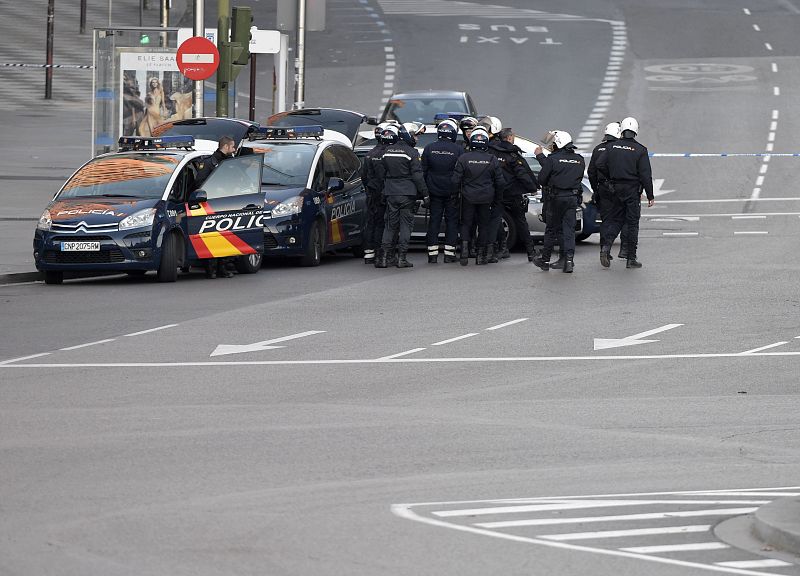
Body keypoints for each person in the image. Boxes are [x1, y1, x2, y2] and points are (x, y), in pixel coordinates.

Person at [596, 117, 654, 269]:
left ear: (622, 130)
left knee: (616, 220)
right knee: (632, 223)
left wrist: (610, 179)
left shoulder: (611, 147)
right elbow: (645, 175)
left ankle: (606, 247)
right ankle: (631, 259)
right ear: (635, 131)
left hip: (615, 189)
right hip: (632, 190)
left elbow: (600, 164)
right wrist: (650, 195)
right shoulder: (640, 150)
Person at [375, 124, 429, 268]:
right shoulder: (412, 153)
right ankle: (402, 258)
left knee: (389, 226)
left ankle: (385, 258)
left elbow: (381, 174)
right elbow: (418, 177)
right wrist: (425, 195)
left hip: (390, 193)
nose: (417, 138)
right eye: (415, 135)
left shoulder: (387, 151)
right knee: (406, 226)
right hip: (407, 194)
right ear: (408, 135)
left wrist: (383, 191)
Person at [532, 130, 585, 273]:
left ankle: (545, 260)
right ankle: (568, 261)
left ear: (559, 144)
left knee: (551, 229)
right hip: (572, 199)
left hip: (556, 198)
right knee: (569, 231)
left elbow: (542, 179)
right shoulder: (579, 159)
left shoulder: (552, 159)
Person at [452, 127, 505, 266]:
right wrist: (497, 198)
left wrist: (455, 194)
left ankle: (464, 253)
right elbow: (500, 182)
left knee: (466, 223)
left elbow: (455, 181)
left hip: (467, 197)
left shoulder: (464, 158)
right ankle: (480, 256)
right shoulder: (492, 159)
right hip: (486, 198)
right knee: (483, 225)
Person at [487, 126, 538, 262]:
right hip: (513, 194)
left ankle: (499, 250)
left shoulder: (492, 152)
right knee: (521, 222)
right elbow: (522, 174)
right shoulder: (512, 154)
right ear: (509, 138)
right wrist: (533, 187)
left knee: (496, 221)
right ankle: (531, 252)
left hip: (497, 193)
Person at [422, 118, 463, 263]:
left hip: (434, 192)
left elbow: (423, 172)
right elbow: (461, 172)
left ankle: (432, 255)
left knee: (434, 222)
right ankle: (449, 254)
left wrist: (425, 192)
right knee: (452, 222)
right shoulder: (458, 149)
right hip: (452, 192)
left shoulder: (429, 148)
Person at [195, 136, 237, 278]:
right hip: (211, 205)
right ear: (226, 147)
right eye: (232, 147)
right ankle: (211, 269)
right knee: (212, 237)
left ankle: (224, 268)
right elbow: (199, 184)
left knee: (226, 237)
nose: (234, 150)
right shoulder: (209, 163)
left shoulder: (231, 162)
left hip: (227, 204)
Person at [587, 122, 629, 261]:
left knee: (606, 219)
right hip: (618, 188)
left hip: (602, 189)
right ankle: (623, 249)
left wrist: (596, 188)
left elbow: (591, 172)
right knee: (622, 218)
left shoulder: (597, 149)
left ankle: (604, 248)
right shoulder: (619, 149)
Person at [361, 122, 391, 265]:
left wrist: (369, 189)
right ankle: (380, 253)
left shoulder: (369, 154)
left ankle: (368, 254)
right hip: (382, 193)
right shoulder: (387, 154)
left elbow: (364, 176)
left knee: (370, 223)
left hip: (371, 193)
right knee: (381, 224)